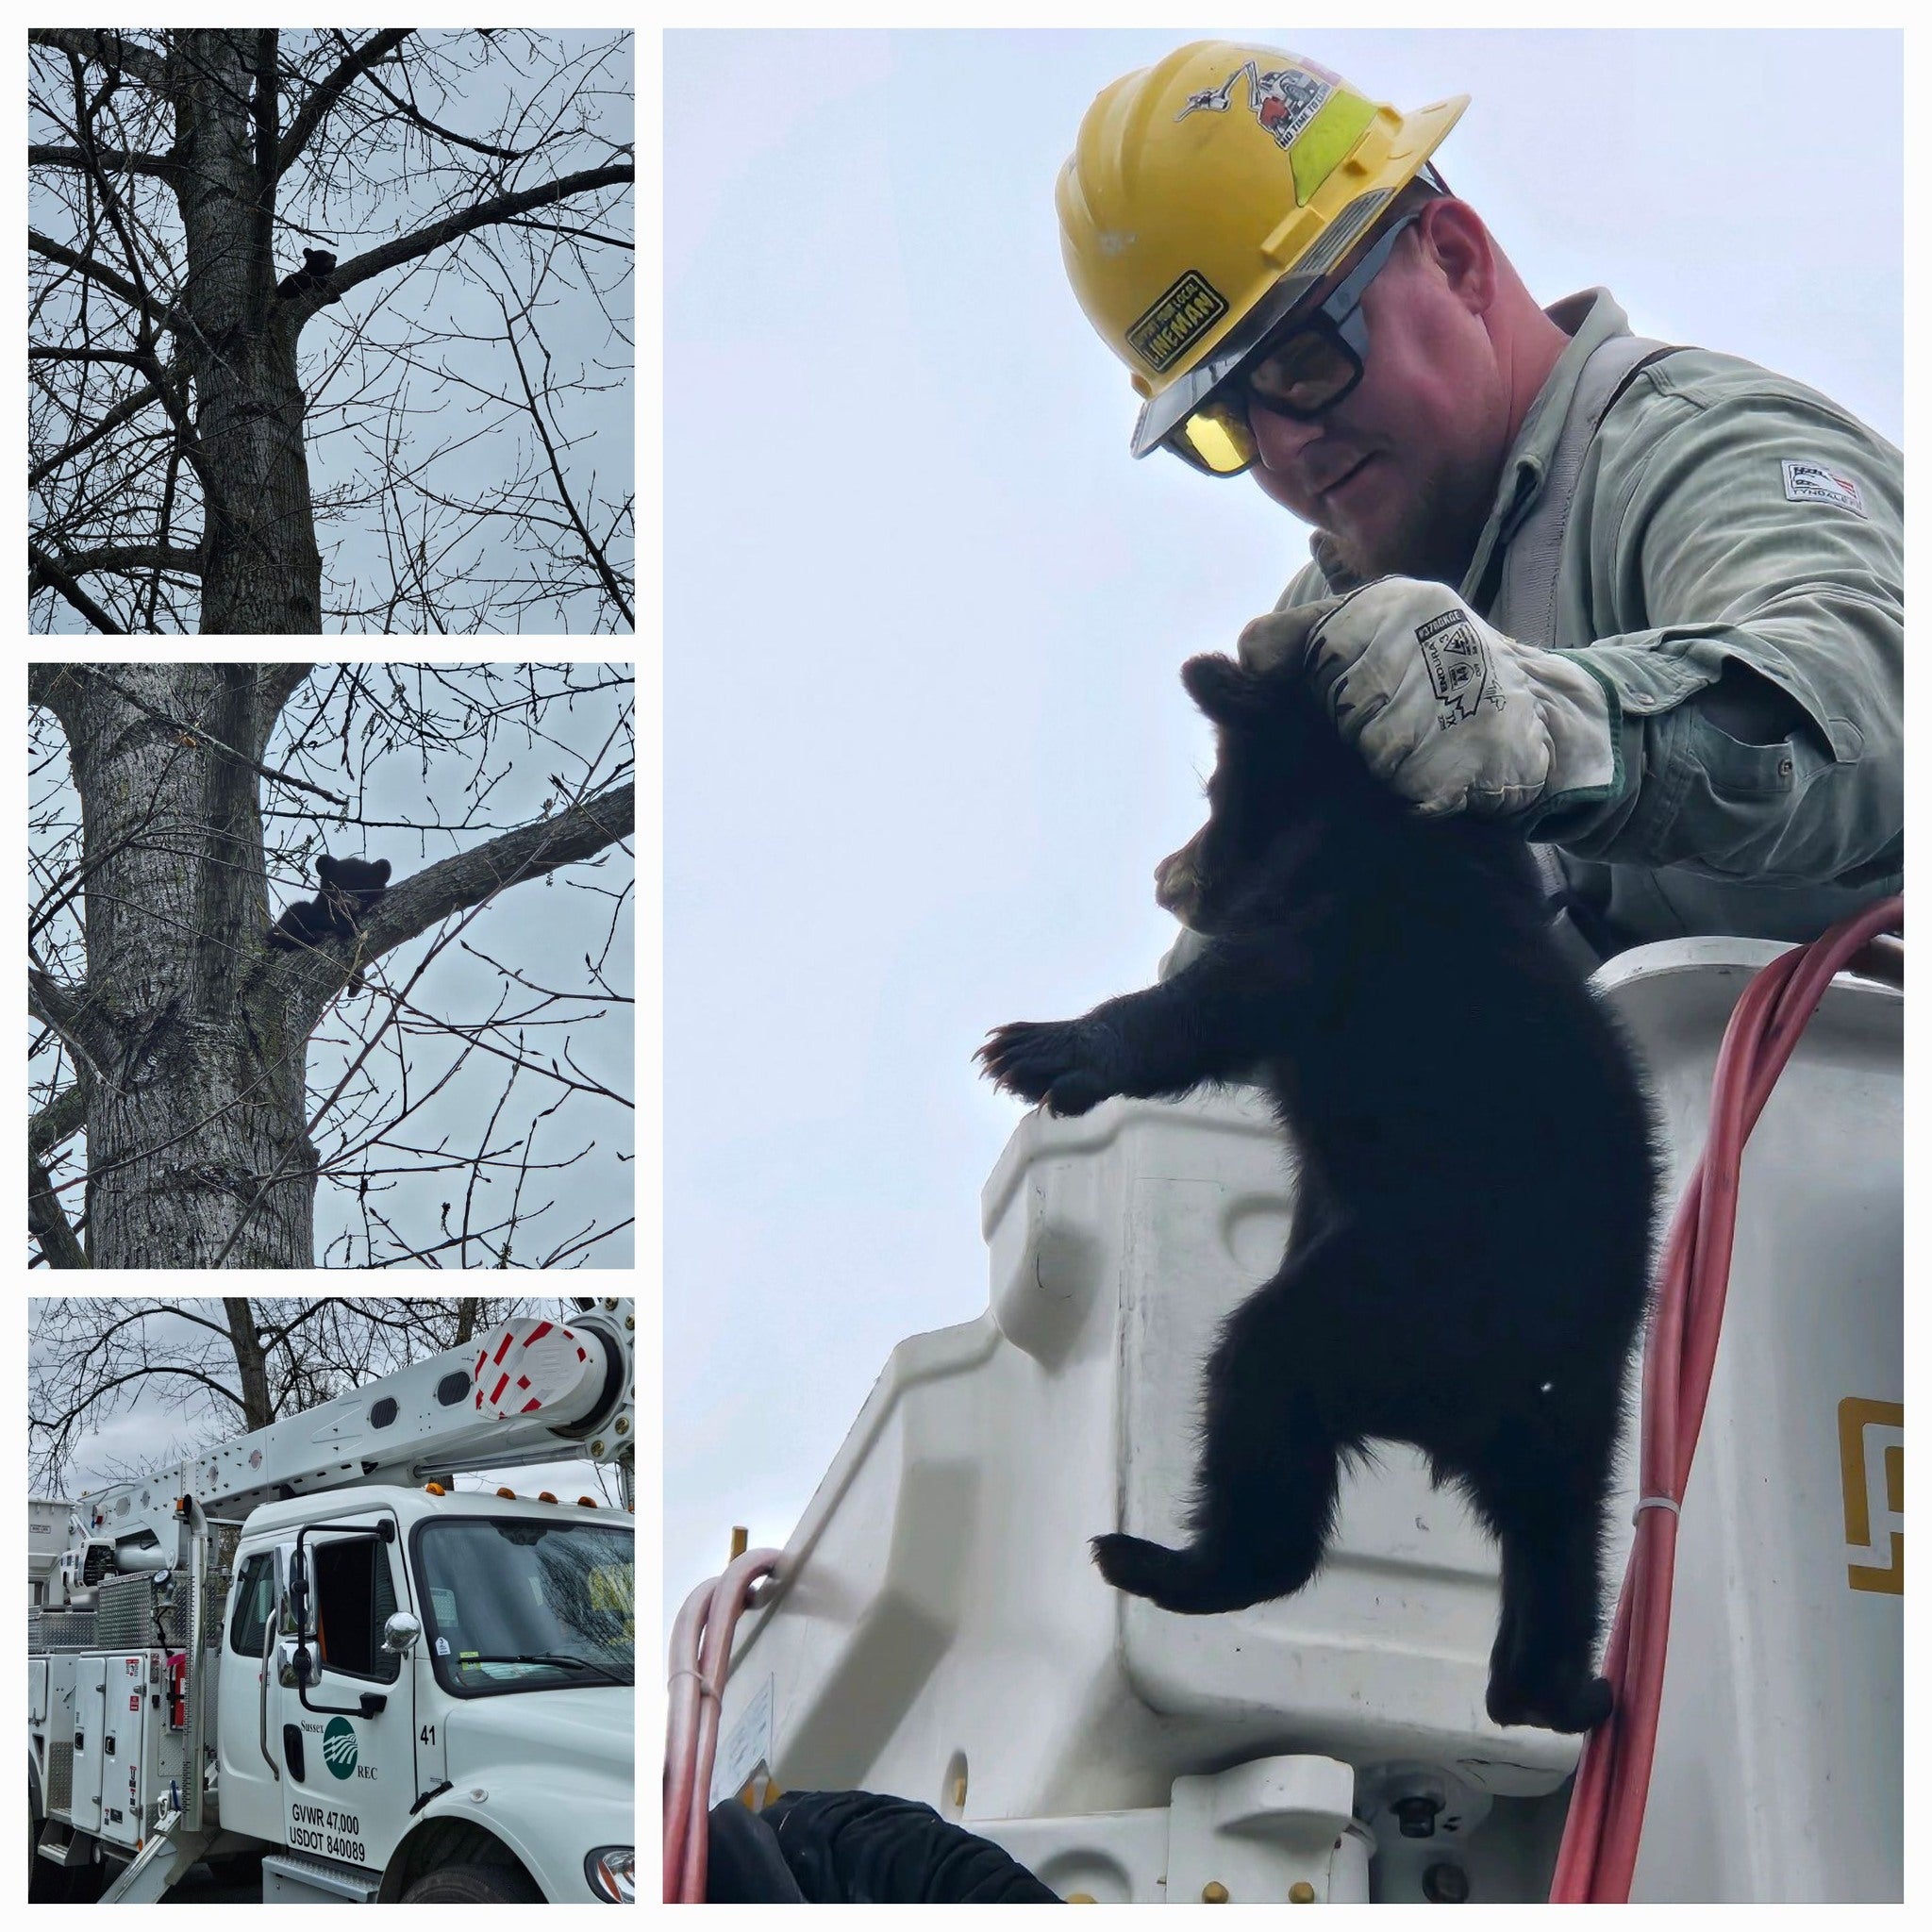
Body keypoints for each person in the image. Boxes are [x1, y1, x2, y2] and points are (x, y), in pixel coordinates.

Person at [1057, 42, 1901, 957]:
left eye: (1302, 361)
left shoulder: (1696, 451)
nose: (1282, 446)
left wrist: (1548, 725)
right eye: (1224, 424)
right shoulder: (1331, 637)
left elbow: (1867, 712)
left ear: (1455, 261)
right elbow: (1249, 1010)